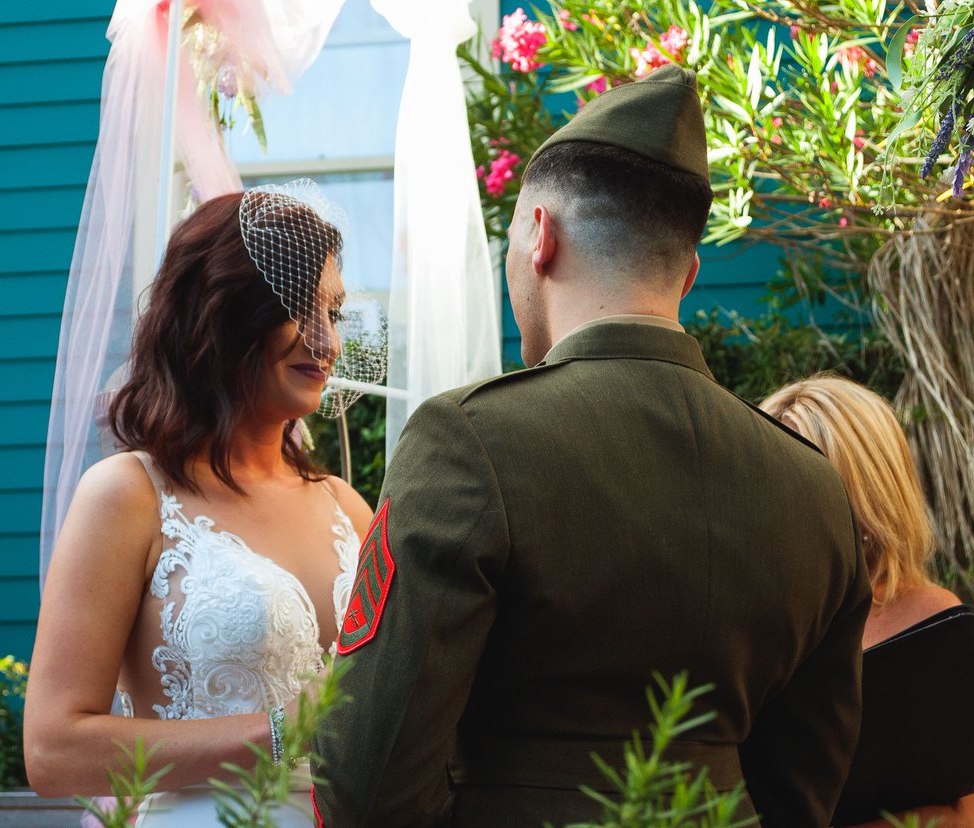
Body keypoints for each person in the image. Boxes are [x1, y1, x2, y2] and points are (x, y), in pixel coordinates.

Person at [311, 65, 871, 828]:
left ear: (540, 237)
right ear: (690, 273)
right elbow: (806, 785)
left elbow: (367, 779)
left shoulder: (470, 440)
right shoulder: (814, 485)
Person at [25, 183, 375, 826]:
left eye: (337, 312)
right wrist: (285, 731)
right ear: (223, 311)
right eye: (301, 307)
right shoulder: (129, 495)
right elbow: (53, 749)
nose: (326, 342)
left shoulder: (347, 509)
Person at [761, 374, 974, 828]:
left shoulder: (935, 627)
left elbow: (961, 811)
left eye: (810, 487)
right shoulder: (740, 619)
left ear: (869, 496)